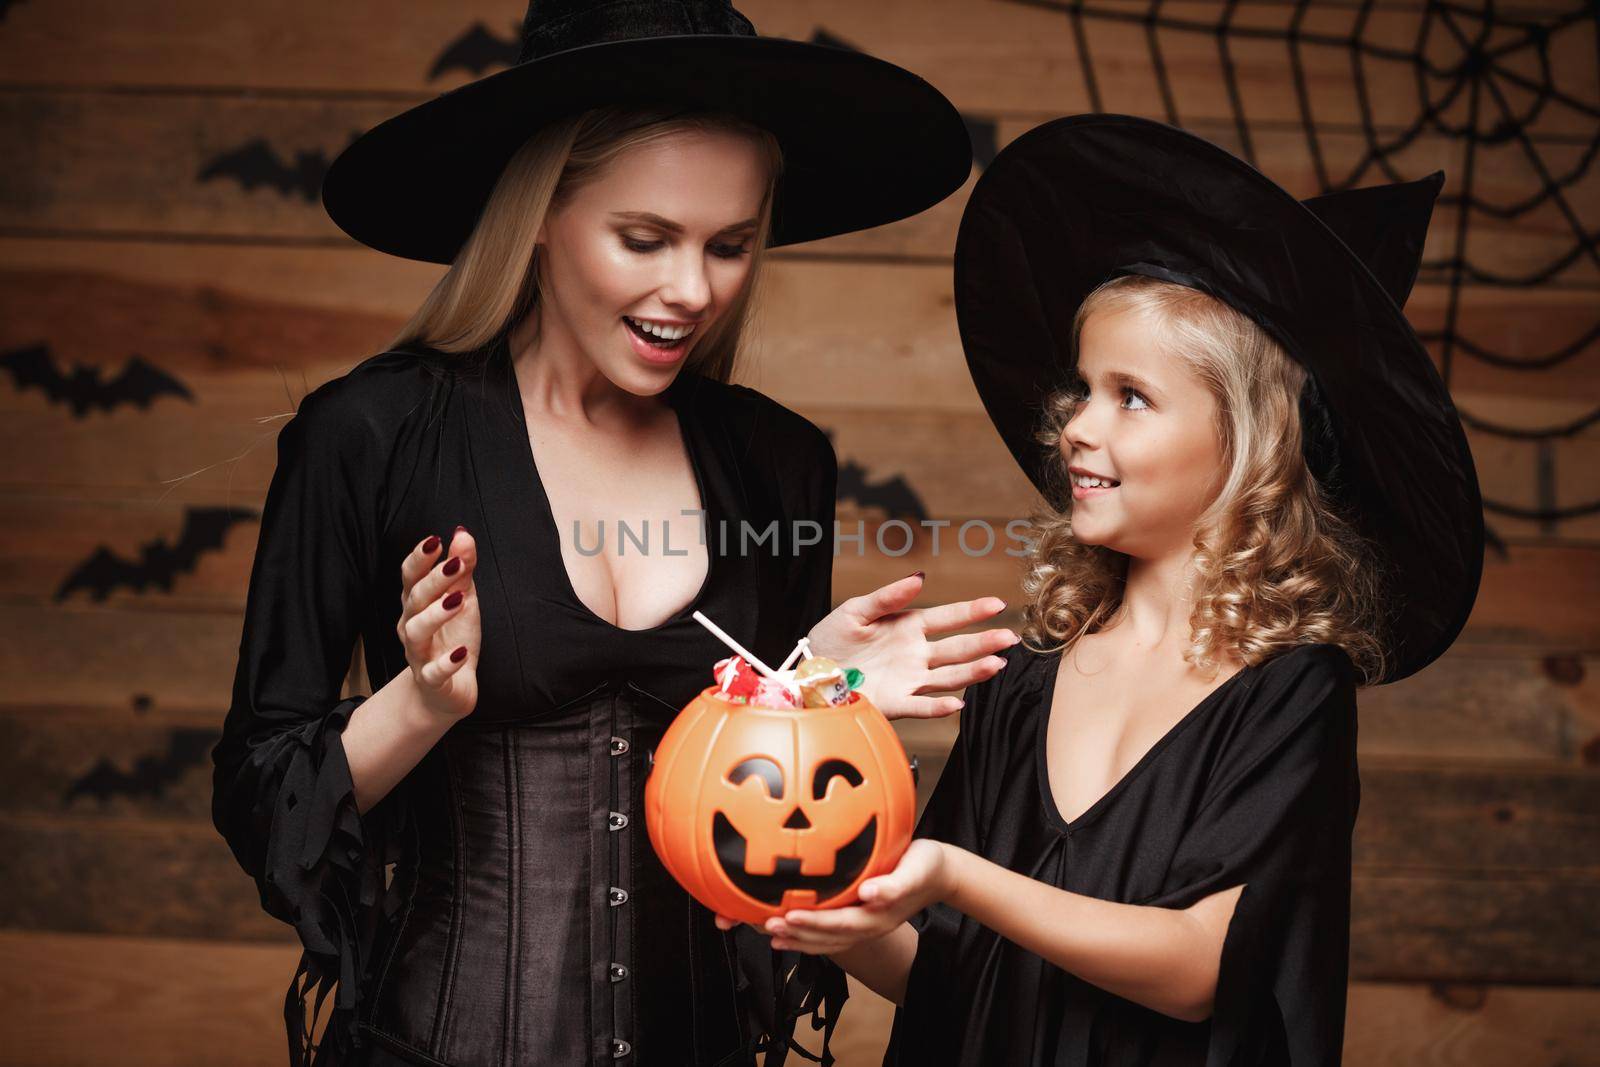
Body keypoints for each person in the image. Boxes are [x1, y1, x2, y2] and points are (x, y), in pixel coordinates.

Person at [208, 3, 1014, 1065]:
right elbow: (264, 798)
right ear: (540, 212)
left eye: (729, 245)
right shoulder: (374, 434)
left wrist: (809, 691)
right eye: (645, 238)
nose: (692, 290)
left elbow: (758, 838)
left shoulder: (774, 464)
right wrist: (421, 702)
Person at [743, 114, 1485, 1065]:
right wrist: (849, 924)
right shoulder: (1025, 678)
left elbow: (1200, 968)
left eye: (1130, 396)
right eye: (1082, 389)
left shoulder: (1291, 692)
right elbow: (951, 976)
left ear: (1248, 445)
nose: (1075, 427)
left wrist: (956, 877)